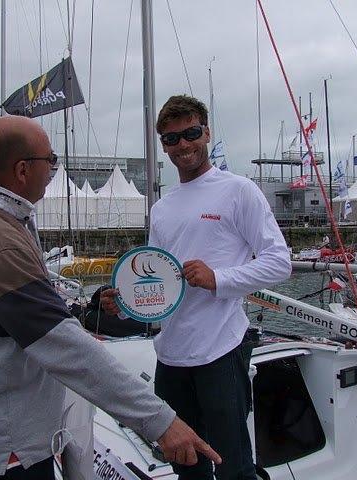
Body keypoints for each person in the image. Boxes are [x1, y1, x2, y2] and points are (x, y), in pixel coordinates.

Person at [0, 115, 220, 480]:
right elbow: (64, 346)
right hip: (6, 444)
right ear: (22, 170)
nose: (54, 169)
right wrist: (161, 422)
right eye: (50, 161)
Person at [103, 95, 292, 479]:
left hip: (220, 350)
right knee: (185, 465)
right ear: (163, 146)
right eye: (171, 139)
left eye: (190, 133)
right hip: (171, 356)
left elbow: (279, 262)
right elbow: (155, 280)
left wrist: (218, 278)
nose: (183, 145)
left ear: (206, 132)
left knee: (233, 466)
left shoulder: (239, 190)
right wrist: (123, 305)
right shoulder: (162, 207)